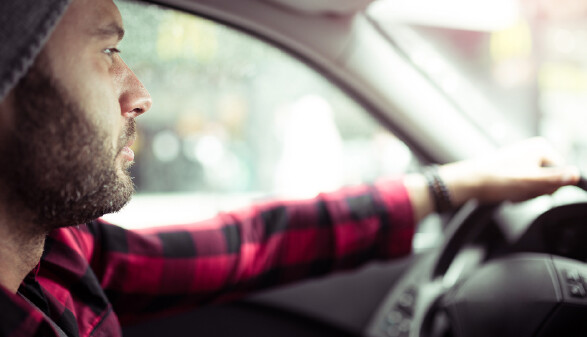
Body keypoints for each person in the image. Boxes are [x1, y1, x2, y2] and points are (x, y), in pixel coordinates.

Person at [0, 0, 581, 336]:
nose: (140, 92)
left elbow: (250, 245)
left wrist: (454, 183)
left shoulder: (59, 253)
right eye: (107, 52)